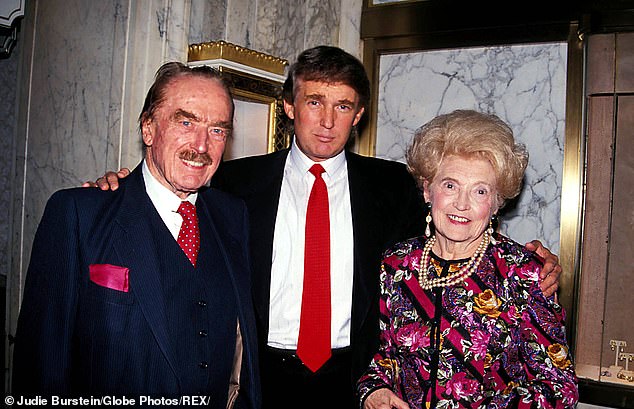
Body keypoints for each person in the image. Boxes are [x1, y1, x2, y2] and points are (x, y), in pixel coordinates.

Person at [89, 46, 562, 408]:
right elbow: (170, 189)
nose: (326, 120)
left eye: (343, 106)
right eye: (314, 101)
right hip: (259, 376)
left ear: (358, 116)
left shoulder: (395, 185)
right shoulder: (233, 181)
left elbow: (459, 229)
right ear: (290, 105)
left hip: (353, 380)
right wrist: (119, 182)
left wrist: (535, 262)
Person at [12, 62, 261, 409]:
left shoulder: (233, 216)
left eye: (218, 130)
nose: (201, 145)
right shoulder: (79, 214)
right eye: (186, 122)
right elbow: (40, 365)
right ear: (148, 129)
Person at [357, 110, 578, 409]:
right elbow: (382, 355)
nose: (462, 204)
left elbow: (560, 390)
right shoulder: (398, 264)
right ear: (427, 190)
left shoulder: (522, 273)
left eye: (480, 191)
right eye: (450, 185)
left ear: (497, 203)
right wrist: (373, 390)